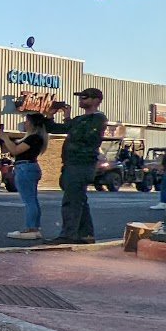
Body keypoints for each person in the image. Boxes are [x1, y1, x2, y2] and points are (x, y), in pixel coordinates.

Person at [44, 87, 107, 244]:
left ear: (96, 100)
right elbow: (56, 129)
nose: (81, 100)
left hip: (82, 163)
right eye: (81, 97)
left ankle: (68, 235)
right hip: (71, 163)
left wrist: (67, 119)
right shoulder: (79, 119)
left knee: (72, 200)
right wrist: (50, 116)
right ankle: (86, 234)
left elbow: (83, 136)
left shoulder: (98, 119)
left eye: (85, 97)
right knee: (79, 200)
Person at [1, 112, 49, 241]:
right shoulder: (37, 138)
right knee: (32, 199)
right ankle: (34, 227)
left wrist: (5, 138)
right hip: (29, 167)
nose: (24, 123)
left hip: (25, 168)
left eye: (27, 121)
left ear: (32, 123)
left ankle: (31, 229)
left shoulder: (33, 138)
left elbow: (15, 150)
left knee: (29, 200)